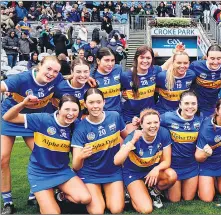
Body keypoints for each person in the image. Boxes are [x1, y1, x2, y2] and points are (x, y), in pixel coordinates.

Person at [2, 95, 91, 214]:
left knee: (85, 198)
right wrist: (23, 104)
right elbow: (8, 117)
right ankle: (44, 199)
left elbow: (77, 163)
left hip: (62, 171)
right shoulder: (43, 119)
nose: (71, 113)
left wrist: (82, 155)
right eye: (67, 109)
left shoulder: (76, 127)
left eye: (75, 110)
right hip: (40, 173)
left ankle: (60, 195)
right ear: (59, 109)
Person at [0, 56, 63, 212]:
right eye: (48, 69)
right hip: (12, 116)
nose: (51, 74)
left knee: (43, 156)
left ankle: (34, 193)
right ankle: (8, 202)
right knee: (2, 158)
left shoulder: (57, 78)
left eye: (55, 71)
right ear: (39, 66)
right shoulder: (22, 79)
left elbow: (68, 81)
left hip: (34, 119)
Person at [71, 88, 133, 214]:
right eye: (91, 102)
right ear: (85, 104)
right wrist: (80, 156)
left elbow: (127, 137)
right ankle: (70, 196)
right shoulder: (80, 128)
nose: (95, 106)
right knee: (97, 211)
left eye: (98, 102)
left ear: (104, 102)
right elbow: (76, 166)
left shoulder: (114, 117)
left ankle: (107, 193)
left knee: (116, 209)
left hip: (112, 171)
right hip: (90, 173)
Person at [114, 109, 177, 212]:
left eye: (156, 122)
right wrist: (133, 141)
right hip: (133, 174)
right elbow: (117, 161)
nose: (153, 126)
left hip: (151, 171)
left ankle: (154, 192)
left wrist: (156, 169)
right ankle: (130, 192)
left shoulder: (163, 132)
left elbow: (167, 161)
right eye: (148, 123)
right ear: (141, 125)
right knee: (146, 209)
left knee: (171, 175)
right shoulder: (133, 137)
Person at [161, 91, 203, 202]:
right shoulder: (167, 117)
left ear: (197, 105)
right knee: (174, 200)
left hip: (191, 165)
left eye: (193, 104)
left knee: (188, 198)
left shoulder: (201, 118)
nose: (190, 107)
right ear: (180, 104)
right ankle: (160, 187)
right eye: (187, 103)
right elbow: (152, 123)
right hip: (173, 166)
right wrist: (138, 121)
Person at [195, 97, 221, 202]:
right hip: (208, 165)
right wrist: (206, 154)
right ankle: (205, 182)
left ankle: (217, 181)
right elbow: (198, 157)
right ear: (217, 111)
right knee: (207, 198)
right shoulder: (206, 128)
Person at [120, 46, 161, 123]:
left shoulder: (155, 70)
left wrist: (176, 53)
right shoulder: (125, 76)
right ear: (136, 59)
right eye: (142, 57)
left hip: (149, 115)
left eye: (148, 58)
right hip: (131, 117)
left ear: (152, 60)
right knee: (135, 135)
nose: (145, 61)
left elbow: (167, 66)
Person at [190, 45, 221, 116]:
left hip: (213, 105)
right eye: (212, 58)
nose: (215, 62)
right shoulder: (195, 66)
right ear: (206, 57)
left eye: (218, 58)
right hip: (196, 105)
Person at [91, 47, 124, 112]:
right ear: (98, 61)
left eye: (112, 60)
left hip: (118, 113)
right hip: (100, 115)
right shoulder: (91, 75)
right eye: (107, 60)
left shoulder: (118, 69)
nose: (110, 64)